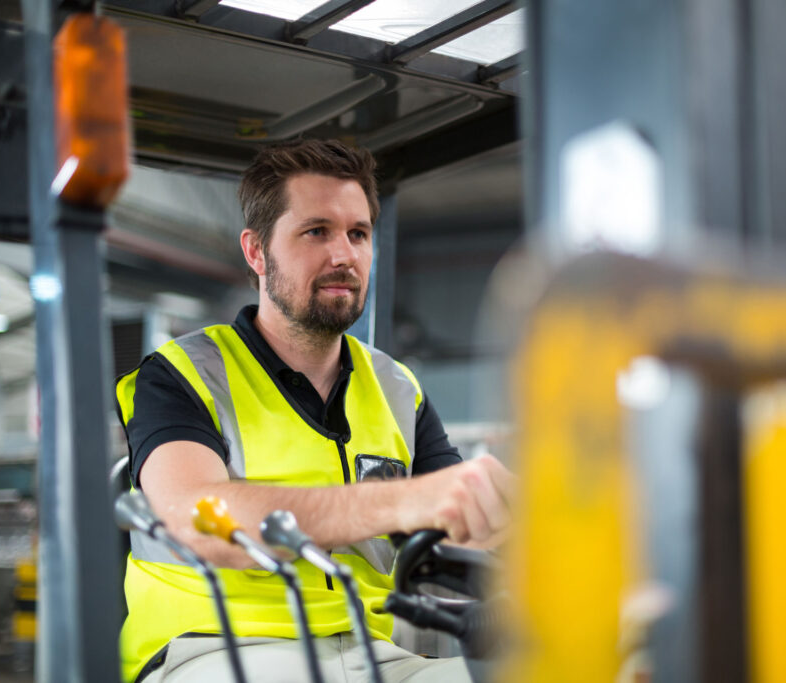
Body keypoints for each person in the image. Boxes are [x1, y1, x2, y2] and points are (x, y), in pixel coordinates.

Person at [114, 139, 514, 682]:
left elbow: (458, 528)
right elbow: (199, 519)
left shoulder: (398, 389)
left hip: (372, 654)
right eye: (317, 231)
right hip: (215, 649)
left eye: (358, 234)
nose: (344, 255)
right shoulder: (181, 375)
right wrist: (402, 502)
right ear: (257, 252)